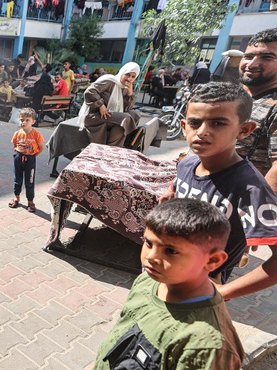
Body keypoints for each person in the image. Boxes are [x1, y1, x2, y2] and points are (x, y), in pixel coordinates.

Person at [90, 198, 244, 370]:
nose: (150, 257)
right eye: (148, 243)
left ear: (213, 260)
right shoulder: (147, 281)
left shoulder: (206, 346)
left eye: (170, 251)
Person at [161, 81, 277, 299]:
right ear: (184, 126)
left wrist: (225, 291)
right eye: (195, 123)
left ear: (244, 130)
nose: (202, 132)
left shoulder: (250, 188)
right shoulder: (188, 163)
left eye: (218, 123)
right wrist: (170, 192)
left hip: (198, 289)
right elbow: (179, 184)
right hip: (165, 272)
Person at [235, 28, 277, 193]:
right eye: (248, 56)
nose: (251, 64)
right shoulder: (234, 96)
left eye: (266, 57)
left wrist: (256, 211)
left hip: (240, 202)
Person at [77, 62, 141, 147]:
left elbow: (126, 109)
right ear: (122, 72)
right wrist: (101, 105)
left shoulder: (123, 87)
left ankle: (115, 147)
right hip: (95, 116)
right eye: (127, 74)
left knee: (135, 114)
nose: (129, 79)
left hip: (108, 116)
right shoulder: (109, 80)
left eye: (133, 77)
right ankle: (116, 147)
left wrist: (129, 94)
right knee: (125, 118)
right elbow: (90, 91)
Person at [8, 107, 44, 213]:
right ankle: (16, 197)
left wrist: (33, 156)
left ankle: (30, 201)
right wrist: (19, 153)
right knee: (17, 179)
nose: (24, 122)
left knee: (30, 181)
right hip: (18, 157)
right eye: (21, 120)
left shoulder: (36, 134)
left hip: (30, 159)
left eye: (27, 120)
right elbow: (15, 144)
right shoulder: (17, 133)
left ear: (33, 121)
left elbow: (41, 147)